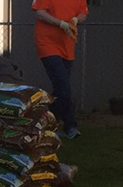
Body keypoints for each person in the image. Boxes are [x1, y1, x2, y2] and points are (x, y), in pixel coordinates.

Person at [33, 0, 89, 138]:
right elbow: (40, 13)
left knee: (61, 89)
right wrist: (60, 23)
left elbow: (83, 13)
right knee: (63, 85)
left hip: (67, 45)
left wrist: (75, 20)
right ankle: (70, 125)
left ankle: (49, 123)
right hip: (47, 44)